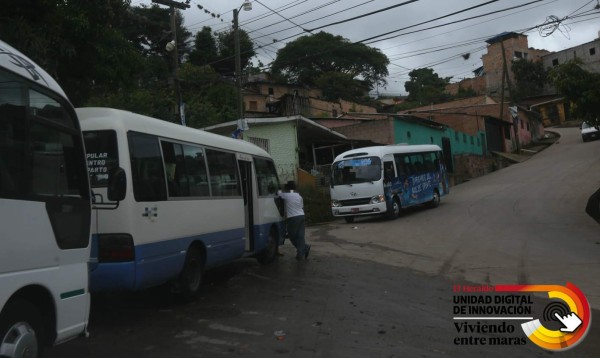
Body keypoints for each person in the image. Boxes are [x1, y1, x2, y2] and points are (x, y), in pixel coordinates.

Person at [278, 181, 311, 260]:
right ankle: (303, 250)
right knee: (300, 236)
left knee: (291, 236)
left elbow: (278, 193)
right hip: (301, 216)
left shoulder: (286, 195)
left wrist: (280, 187)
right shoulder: (299, 196)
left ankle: (302, 251)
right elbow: (301, 206)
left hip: (293, 218)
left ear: (287, 188)